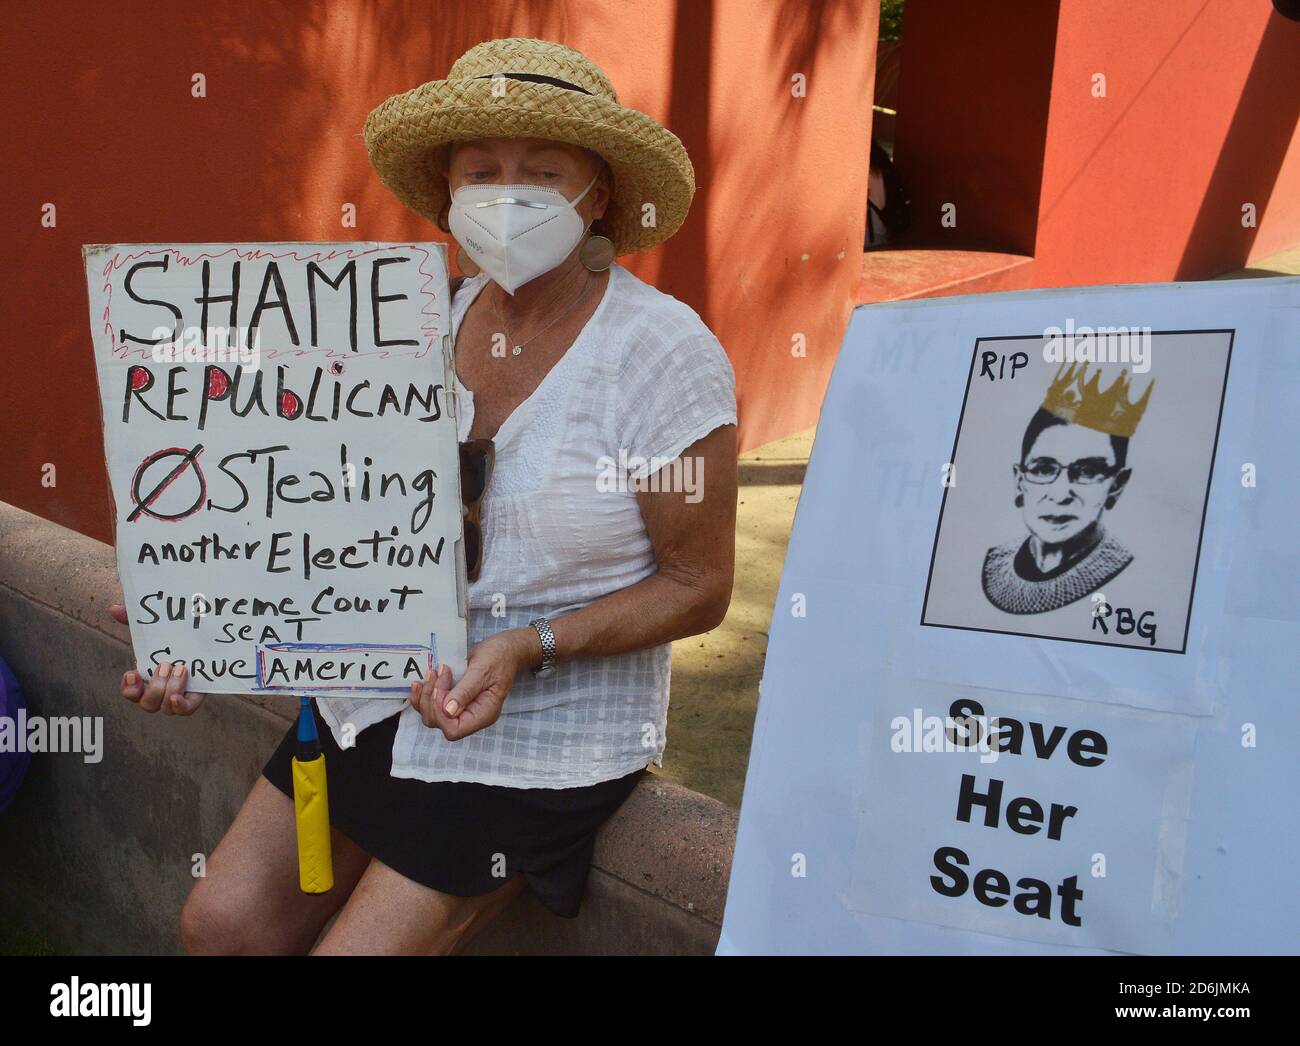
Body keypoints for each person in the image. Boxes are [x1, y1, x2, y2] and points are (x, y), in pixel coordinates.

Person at [113, 36, 738, 955]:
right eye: (481, 169)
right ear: (449, 192)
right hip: (378, 694)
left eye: (544, 169)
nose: (507, 191)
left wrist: (532, 646)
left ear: (597, 192)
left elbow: (700, 584)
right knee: (220, 924)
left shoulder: (663, 353)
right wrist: (203, 626)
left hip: (541, 737)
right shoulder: (409, 325)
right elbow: (313, 520)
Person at [982, 363, 1152, 616]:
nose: (1060, 495)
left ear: (1116, 485)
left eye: (1087, 471)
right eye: (1043, 469)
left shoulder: (1136, 577)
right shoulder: (994, 562)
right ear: (1020, 481)